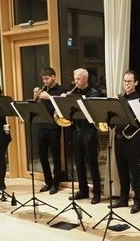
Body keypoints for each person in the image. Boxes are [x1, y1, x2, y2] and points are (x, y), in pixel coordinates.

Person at [68, 68, 102, 204]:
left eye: (78, 79)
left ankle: (97, 193)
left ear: (85, 79)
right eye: (75, 79)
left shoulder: (95, 93)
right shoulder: (74, 93)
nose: (76, 82)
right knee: (78, 162)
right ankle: (83, 190)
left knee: (92, 163)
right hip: (76, 130)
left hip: (89, 131)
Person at [112, 70, 140, 214]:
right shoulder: (120, 98)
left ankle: (137, 200)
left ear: (135, 83)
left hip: (132, 138)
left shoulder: (139, 99)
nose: (126, 84)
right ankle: (123, 199)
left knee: (134, 171)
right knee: (121, 169)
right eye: (124, 81)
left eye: (129, 81)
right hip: (119, 137)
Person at [33, 67, 63, 195]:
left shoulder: (62, 90)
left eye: (47, 78)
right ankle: (48, 181)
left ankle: (56, 184)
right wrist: (36, 97)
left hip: (54, 127)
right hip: (42, 126)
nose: (45, 81)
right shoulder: (43, 90)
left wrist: (49, 97)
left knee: (56, 156)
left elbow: (60, 106)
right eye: (43, 78)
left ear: (53, 77)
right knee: (42, 156)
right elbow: (36, 107)